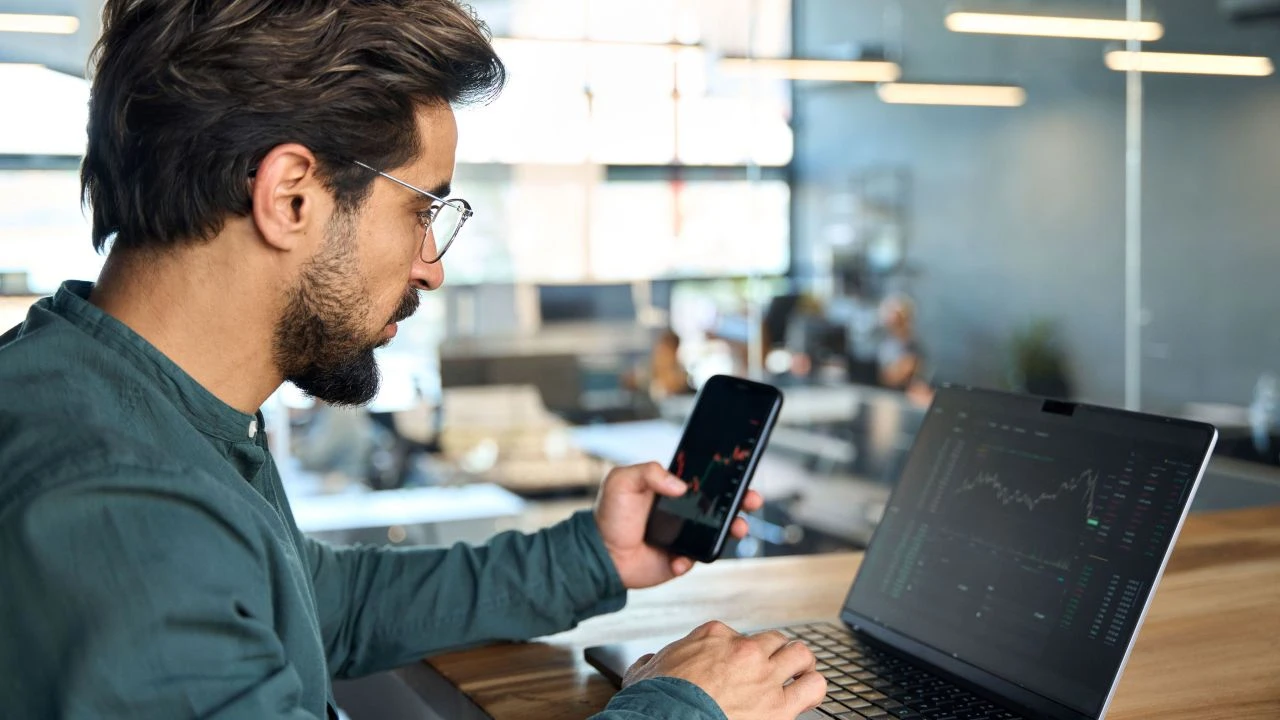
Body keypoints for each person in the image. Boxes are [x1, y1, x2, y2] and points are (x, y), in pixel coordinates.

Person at [0, 2, 826, 719]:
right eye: (424, 207)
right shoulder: (123, 506)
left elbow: (327, 605)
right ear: (291, 196)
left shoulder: (122, 399)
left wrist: (588, 558)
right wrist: (686, 707)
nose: (432, 263)